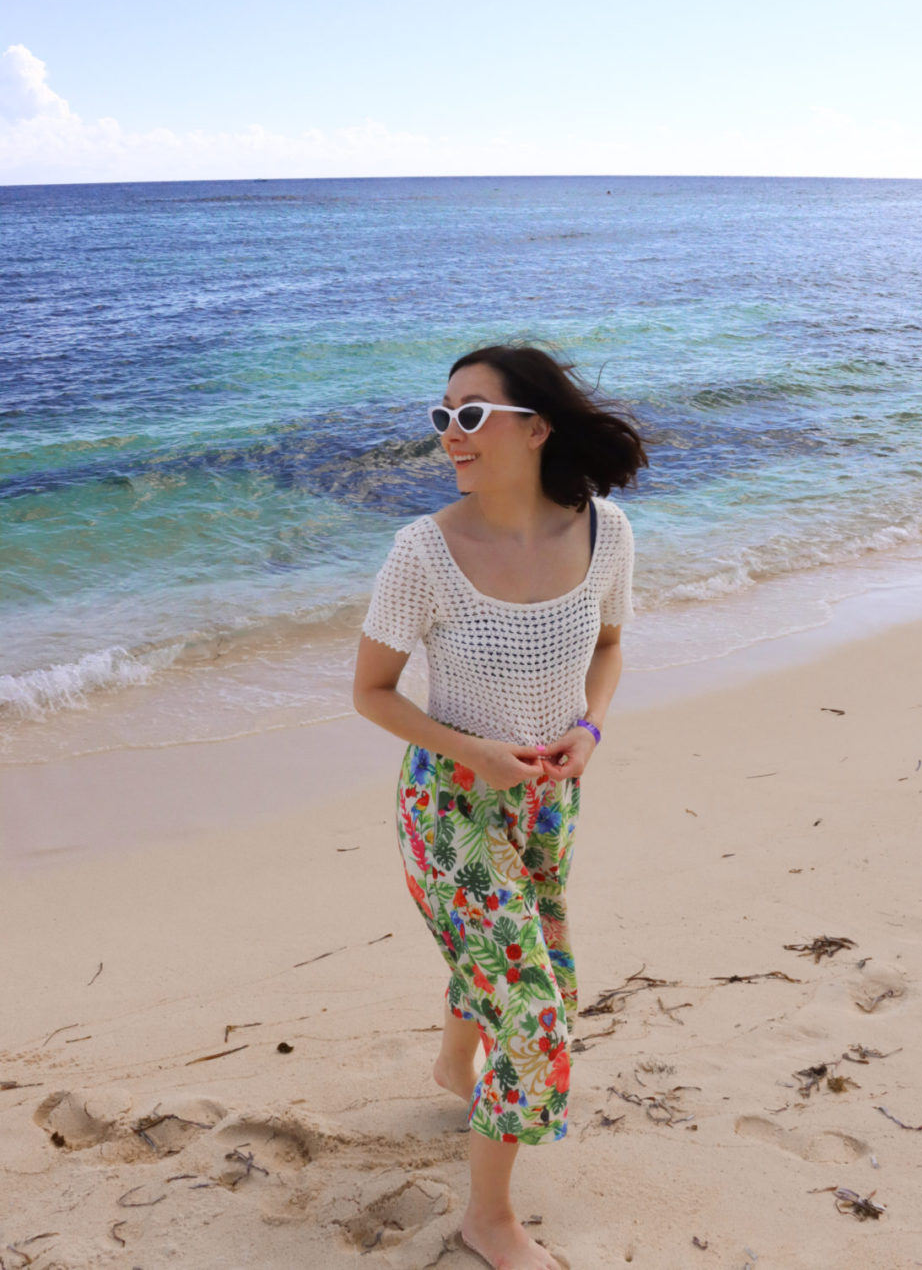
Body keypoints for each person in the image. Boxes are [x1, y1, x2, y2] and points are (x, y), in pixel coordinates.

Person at [353, 342, 646, 1270]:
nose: (451, 436)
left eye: (471, 414)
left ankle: (452, 1067)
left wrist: (589, 732)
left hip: (549, 806)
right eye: (442, 417)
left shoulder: (607, 532)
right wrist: (477, 751)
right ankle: (488, 1220)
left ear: (537, 425)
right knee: (536, 1012)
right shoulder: (423, 552)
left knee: (519, 958)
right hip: (451, 809)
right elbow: (373, 692)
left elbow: (607, 649)